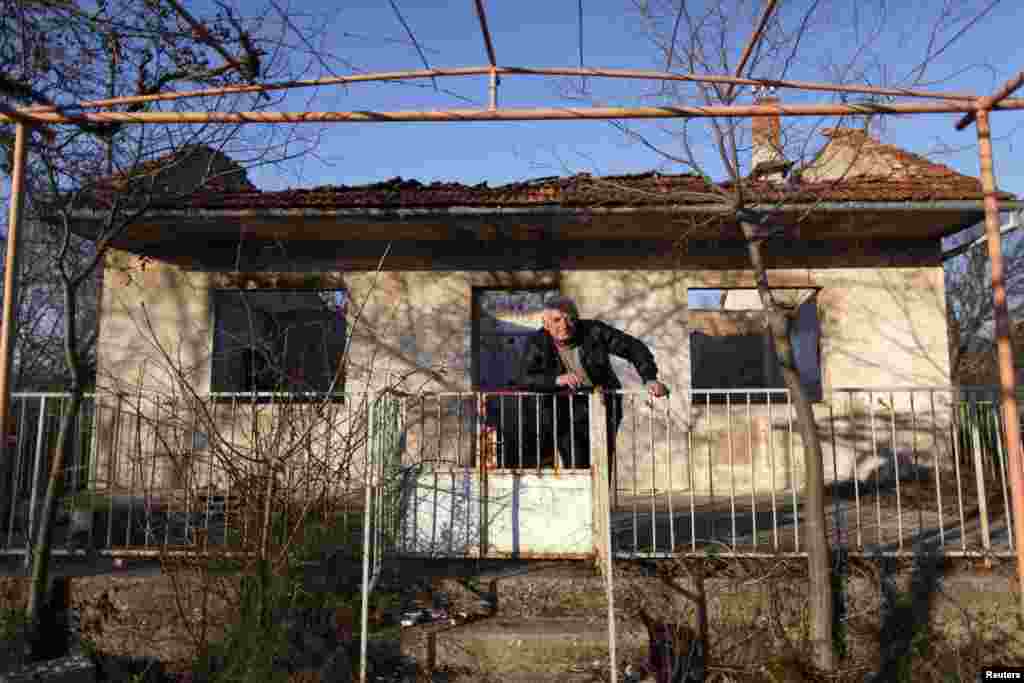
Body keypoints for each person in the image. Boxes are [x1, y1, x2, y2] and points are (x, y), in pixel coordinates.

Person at [514, 296, 668, 472]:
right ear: (546, 323)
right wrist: (556, 379)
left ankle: (601, 500)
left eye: (570, 319)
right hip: (564, 410)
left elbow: (634, 347)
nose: (564, 325)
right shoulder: (537, 342)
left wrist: (649, 378)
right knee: (576, 463)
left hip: (602, 404)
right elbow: (524, 379)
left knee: (602, 462)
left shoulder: (594, 330)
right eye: (557, 320)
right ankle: (581, 500)